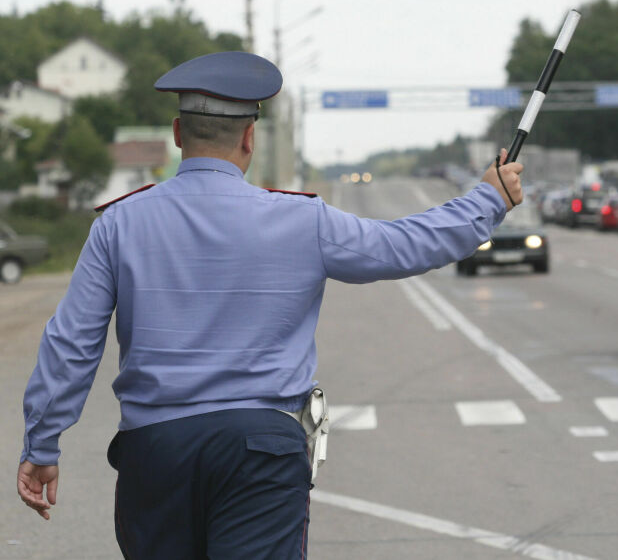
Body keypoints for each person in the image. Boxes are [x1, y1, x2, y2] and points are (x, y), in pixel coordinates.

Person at [17, 51, 523, 559]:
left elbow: (71, 340)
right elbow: (403, 245)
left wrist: (43, 442)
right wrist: (487, 198)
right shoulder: (302, 220)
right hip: (262, 451)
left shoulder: (118, 225)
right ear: (249, 137)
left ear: (177, 133)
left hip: (155, 453)